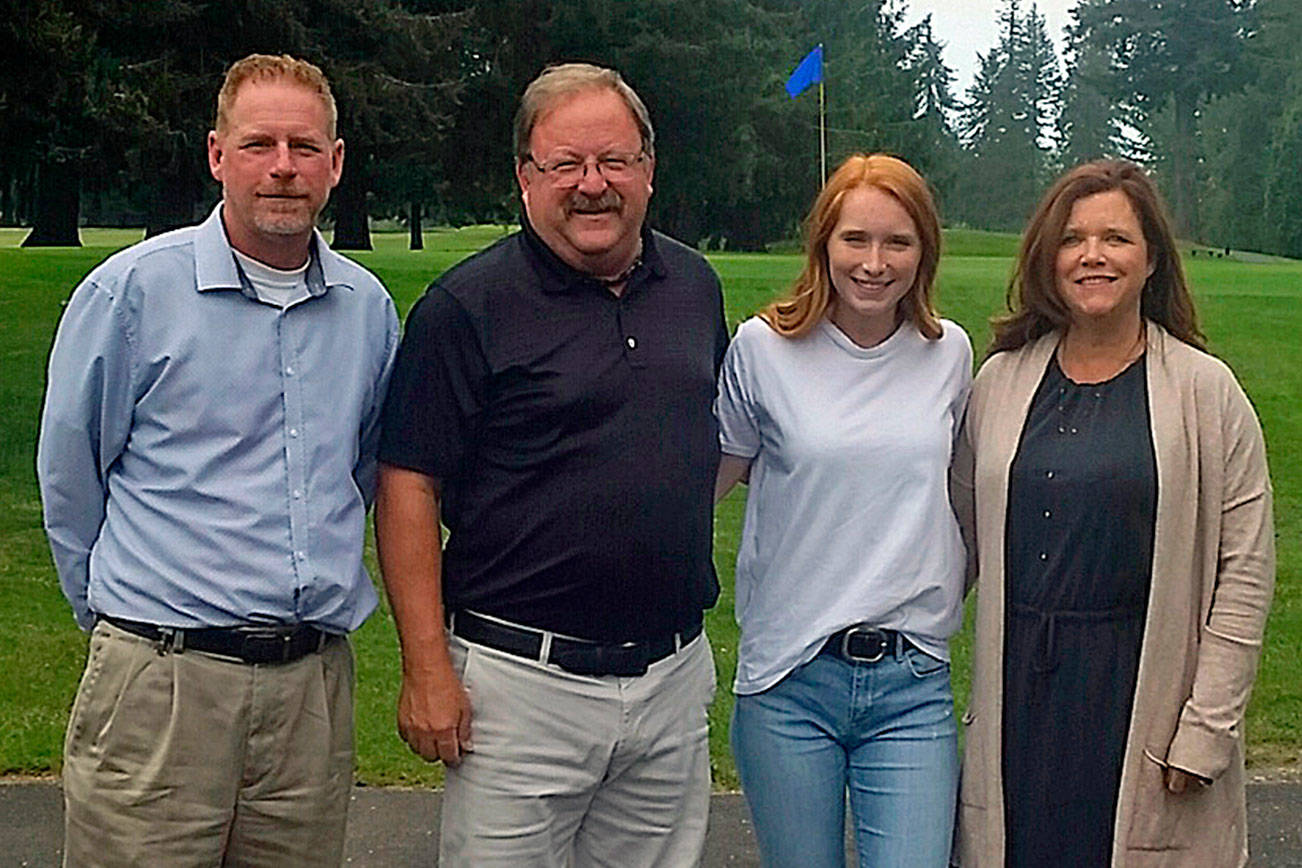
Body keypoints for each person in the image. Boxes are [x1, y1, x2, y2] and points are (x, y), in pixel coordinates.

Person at [37, 54, 399, 866]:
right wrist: (116, 625)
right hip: (163, 685)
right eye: (258, 143)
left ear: (335, 165)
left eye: (304, 147)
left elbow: (364, 471)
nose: (282, 167)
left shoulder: (367, 312)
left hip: (310, 693)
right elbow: (70, 477)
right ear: (215, 155)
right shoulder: (131, 294)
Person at [375, 62, 728, 866]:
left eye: (614, 161)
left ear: (648, 168)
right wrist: (427, 669)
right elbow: (408, 485)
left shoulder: (694, 288)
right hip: (518, 686)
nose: (592, 184)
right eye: (565, 164)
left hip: (670, 681)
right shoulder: (465, 309)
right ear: (524, 179)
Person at [952, 160, 1275, 866]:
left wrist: (1206, 729)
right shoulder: (999, 384)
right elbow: (955, 540)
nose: (1093, 256)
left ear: (1152, 257)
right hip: (1020, 700)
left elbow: (1244, 574)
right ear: (1048, 257)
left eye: (1116, 239)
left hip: (1140, 696)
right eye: (1073, 239)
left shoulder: (1205, 393)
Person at [714, 153, 972, 867]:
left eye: (898, 242)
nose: (874, 262)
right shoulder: (763, 349)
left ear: (924, 253)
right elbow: (709, 478)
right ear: (823, 243)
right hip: (790, 680)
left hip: (910, 684)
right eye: (855, 239)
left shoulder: (947, 352)